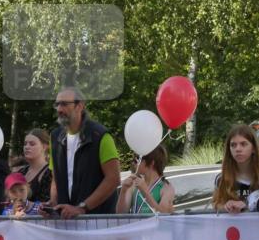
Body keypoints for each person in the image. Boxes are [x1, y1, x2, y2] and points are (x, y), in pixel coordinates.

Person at [48, 87, 120, 218]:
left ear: (80, 105)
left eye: (64, 104)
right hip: (67, 223)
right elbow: (55, 180)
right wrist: (52, 205)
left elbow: (113, 179)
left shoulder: (100, 136)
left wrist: (82, 208)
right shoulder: (54, 137)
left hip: (98, 223)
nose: (59, 109)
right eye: (57, 104)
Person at [117, 145, 175, 215]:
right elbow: (120, 213)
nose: (133, 163)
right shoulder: (134, 184)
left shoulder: (166, 188)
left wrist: (145, 192)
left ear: (151, 163)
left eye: (137, 160)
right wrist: (123, 190)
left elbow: (163, 215)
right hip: (135, 225)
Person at [17, 129, 53, 203]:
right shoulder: (21, 172)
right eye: (25, 144)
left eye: (32, 144)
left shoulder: (50, 172)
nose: (27, 147)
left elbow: (49, 204)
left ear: (44, 147)